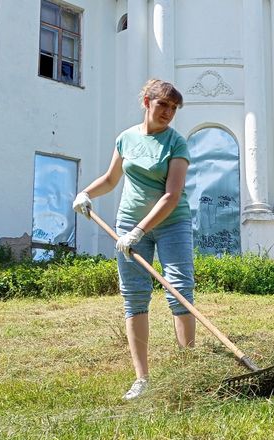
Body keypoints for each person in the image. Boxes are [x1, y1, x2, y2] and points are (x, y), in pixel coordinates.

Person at [72, 79, 195, 401]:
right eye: (162, 105)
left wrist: (140, 231)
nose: (168, 112)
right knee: (135, 298)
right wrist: (86, 193)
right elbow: (111, 180)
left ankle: (189, 373)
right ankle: (142, 379)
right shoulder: (126, 138)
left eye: (173, 108)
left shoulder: (176, 144)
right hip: (127, 225)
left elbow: (172, 195)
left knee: (179, 290)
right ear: (147, 102)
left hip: (172, 224)